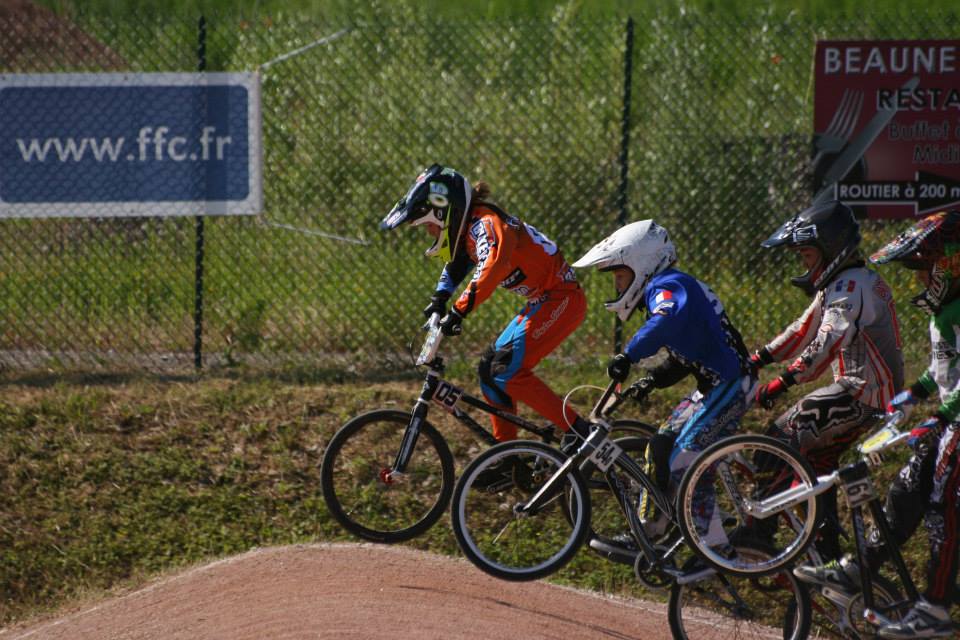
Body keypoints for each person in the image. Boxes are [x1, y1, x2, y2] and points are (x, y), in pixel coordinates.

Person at [795, 210, 960, 639]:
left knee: (943, 513)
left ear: (952, 262)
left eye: (926, 269)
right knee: (905, 489)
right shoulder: (944, 312)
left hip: (956, 427)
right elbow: (944, 373)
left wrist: (938, 417)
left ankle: (935, 609)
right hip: (950, 423)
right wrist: (917, 394)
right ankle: (860, 567)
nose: (921, 281)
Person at [380, 164, 590, 450]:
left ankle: (579, 431)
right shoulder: (471, 229)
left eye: (429, 224)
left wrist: (458, 311)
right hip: (544, 300)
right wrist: (440, 298)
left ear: (445, 213)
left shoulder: (486, 224)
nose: (429, 232)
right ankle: (506, 453)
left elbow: (492, 265)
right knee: (489, 369)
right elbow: (459, 262)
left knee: (505, 369)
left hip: (562, 299)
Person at [572, 219, 755, 543]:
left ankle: (715, 549)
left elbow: (665, 321)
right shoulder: (671, 287)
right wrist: (653, 379)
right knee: (659, 445)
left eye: (619, 275)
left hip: (732, 384)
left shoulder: (669, 286)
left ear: (642, 264)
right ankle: (651, 531)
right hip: (713, 386)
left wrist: (629, 355)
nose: (616, 286)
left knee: (685, 460)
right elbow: (691, 353)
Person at [748, 200, 904, 564]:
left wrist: (782, 382)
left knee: (777, 439)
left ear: (830, 248)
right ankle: (827, 550)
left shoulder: (852, 286)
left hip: (863, 393)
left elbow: (824, 344)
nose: (804, 264)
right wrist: (758, 358)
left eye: (807, 255)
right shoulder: (844, 283)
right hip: (864, 392)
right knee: (817, 465)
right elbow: (802, 331)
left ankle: (758, 534)